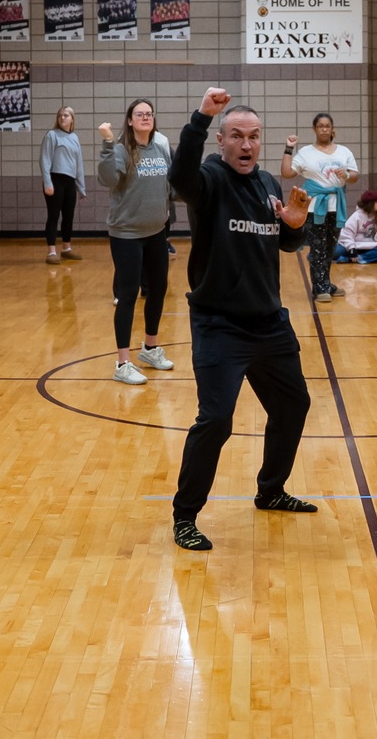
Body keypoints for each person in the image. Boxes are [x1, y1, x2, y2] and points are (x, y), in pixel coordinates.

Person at [167, 89, 317, 551]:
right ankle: (185, 517)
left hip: (269, 324)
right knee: (215, 420)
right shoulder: (209, 179)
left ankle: (271, 489)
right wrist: (200, 116)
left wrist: (296, 225)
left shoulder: (269, 183)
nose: (247, 145)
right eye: (237, 136)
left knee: (293, 406)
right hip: (219, 325)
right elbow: (180, 178)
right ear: (221, 141)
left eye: (254, 136)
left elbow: (288, 246)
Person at [97, 100, 174, 385]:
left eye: (149, 114)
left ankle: (150, 349)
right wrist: (107, 143)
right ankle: (122, 363)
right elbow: (106, 178)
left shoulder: (160, 148)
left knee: (159, 289)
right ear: (129, 120)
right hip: (127, 234)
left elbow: (171, 186)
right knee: (128, 295)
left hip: (156, 232)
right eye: (139, 114)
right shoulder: (120, 149)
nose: (145, 117)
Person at [284, 113, 359, 303]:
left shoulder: (344, 152)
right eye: (320, 126)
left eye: (327, 126)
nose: (324, 129)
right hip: (314, 207)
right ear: (314, 129)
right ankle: (319, 288)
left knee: (329, 247)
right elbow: (287, 173)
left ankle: (326, 283)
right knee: (317, 248)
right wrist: (289, 148)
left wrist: (347, 175)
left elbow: (355, 174)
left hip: (336, 206)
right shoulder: (306, 153)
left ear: (332, 129)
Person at [42, 106, 87, 264]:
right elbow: (45, 159)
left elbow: (79, 164)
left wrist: (82, 188)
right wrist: (48, 182)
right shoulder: (52, 135)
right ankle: (51, 251)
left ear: (72, 119)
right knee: (54, 215)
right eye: (60, 115)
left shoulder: (75, 138)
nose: (62, 118)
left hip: (70, 182)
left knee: (69, 216)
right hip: (55, 180)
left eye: (66, 115)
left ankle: (66, 248)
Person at [336, 191, 377, 265]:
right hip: (353, 246)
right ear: (371, 204)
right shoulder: (357, 215)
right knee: (333, 252)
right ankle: (359, 257)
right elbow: (347, 233)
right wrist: (351, 249)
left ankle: (349, 259)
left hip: (370, 248)